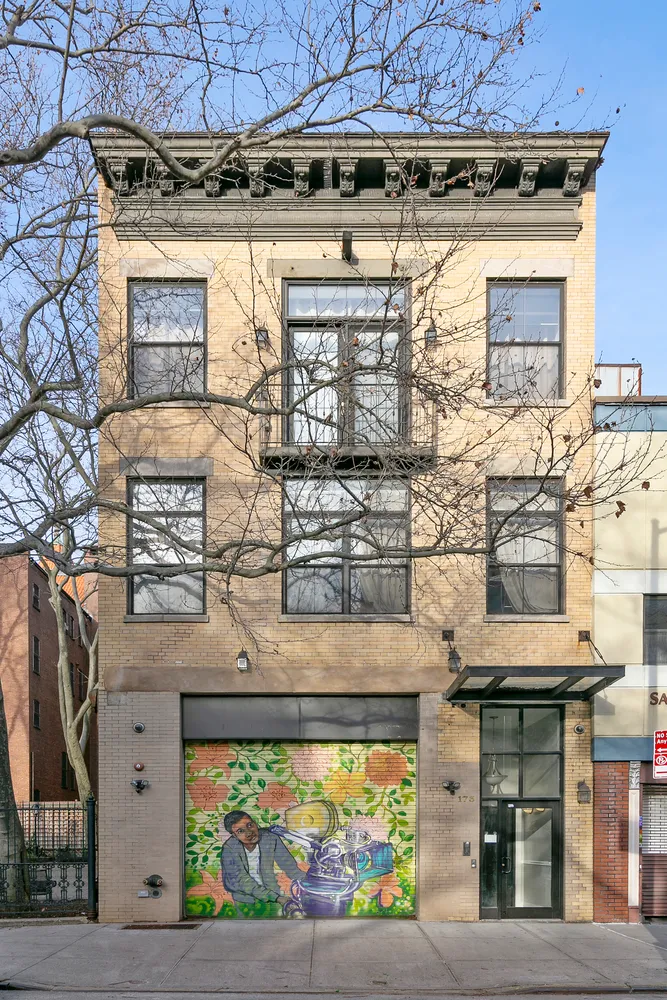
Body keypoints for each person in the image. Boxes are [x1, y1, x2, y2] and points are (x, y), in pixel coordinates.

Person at [221, 810, 301, 910]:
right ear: (234, 835)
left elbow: (290, 867)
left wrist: (311, 883)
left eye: (250, 825)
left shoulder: (270, 838)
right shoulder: (230, 849)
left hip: (274, 897)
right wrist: (277, 898)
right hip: (246, 901)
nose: (249, 832)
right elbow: (241, 881)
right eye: (240, 831)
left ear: (255, 823)